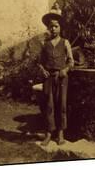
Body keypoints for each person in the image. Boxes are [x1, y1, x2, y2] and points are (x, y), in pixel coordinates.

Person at [38, 8, 74, 146]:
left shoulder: (65, 42)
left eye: (56, 26)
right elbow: (40, 63)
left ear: (60, 27)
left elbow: (71, 61)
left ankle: (60, 133)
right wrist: (42, 70)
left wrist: (65, 69)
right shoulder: (45, 45)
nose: (53, 29)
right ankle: (48, 133)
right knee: (49, 105)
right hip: (48, 78)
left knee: (62, 105)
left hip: (61, 77)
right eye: (50, 26)